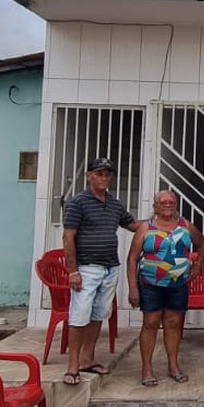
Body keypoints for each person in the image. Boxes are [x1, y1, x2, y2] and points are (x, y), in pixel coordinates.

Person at [61, 157, 139, 386]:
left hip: (110, 268)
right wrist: (73, 271)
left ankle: (88, 358)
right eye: (99, 174)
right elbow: (68, 236)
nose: (104, 178)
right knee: (79, 316)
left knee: (98, 314)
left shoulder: (114, 203)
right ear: (89, 176)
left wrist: (162, 222)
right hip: (87, 268)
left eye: (107, 174)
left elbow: (132, 225)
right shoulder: (78, 202)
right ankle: (73, 365)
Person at [126, 191, 204, 386]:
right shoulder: (145, 227)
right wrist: (133, 288)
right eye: (163, 202)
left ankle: (173, 366)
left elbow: (202, 243)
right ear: (155, 206)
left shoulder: (185, 226)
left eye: (171, 202)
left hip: (178, 285)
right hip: (150, 285)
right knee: (150, 324)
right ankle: (147, 369)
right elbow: (132, 259)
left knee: (173, 325)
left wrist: (198, 266)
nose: (167, 205)